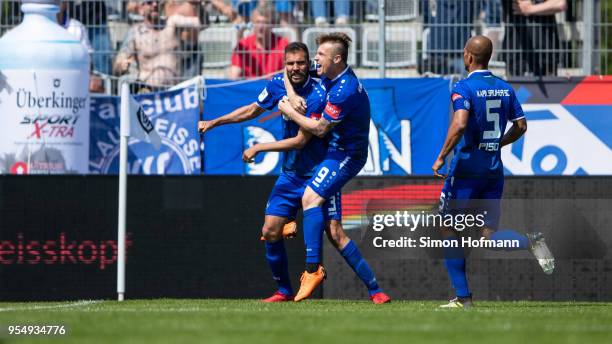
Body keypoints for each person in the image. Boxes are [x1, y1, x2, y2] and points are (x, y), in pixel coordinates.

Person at [198, 42, 390, 304]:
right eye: (290, 64)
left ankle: (375, 290)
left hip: (319, 171)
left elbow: (302, 140)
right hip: (290, 174)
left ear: (309, 63)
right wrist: (214, 122)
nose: (296, 68)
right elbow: (252, 109)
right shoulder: (279, 82)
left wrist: (260, 145)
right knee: (270, 230)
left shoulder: (320, 89)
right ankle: (283, 291)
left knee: (335, 233)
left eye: (301, 63)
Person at [431, 35, 555, 308]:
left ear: (469, 56)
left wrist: (441, 157)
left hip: (466, 170)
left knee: (447, 227)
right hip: (493, 169)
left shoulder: (462, 87)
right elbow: (521, 126)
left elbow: (460, 123)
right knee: (486, 236)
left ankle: (463, 298)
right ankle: (530, 242)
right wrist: (499, 142)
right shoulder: (504, 88)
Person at [279, 33, 372, 301]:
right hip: (331, 153)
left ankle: (312, 269)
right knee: (334, 231)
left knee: (310, 197)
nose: (314, 59)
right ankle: (376, 291)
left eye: (320, 54)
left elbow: (320, 129)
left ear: (337, 59)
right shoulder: (329, 74)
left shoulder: (344, 89)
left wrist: (290, 111)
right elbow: (288, 70)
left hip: (347, 155)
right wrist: (290, 93)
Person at [113, 0, 200, 88]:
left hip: (174, 92)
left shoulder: (172, 23)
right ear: (141, 9)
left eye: (157, 2)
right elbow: (118, 64)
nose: (154, 4)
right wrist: (121, 66)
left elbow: (202, 23)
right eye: (149, 2)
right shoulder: (135, 32)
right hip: (148, 93)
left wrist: (198, 7)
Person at [502, 0, 567, 76]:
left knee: (550, 86)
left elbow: (560, 3)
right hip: (516, 55)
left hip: (546, 54)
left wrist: (530, 9)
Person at [228, 4, 288, 79]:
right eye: (258, 22)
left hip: (274, 88)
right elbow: (233, 75)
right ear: (252, 23)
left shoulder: (283, 44)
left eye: (265, 23)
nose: (261, 26)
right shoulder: (243, 45)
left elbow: (289, 71)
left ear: (272, 24)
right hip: (250, 88)